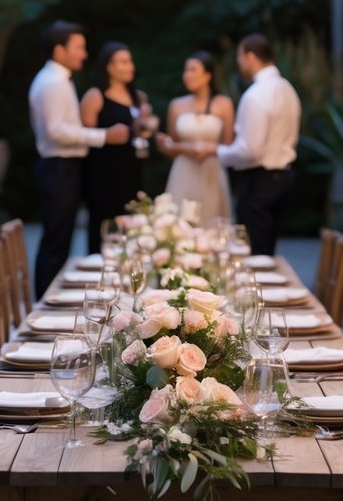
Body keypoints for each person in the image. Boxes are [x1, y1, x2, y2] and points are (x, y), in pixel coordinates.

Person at [28, 21, 130, 298]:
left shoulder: (58, 80)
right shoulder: (53, 83)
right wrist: (103, 136)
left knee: (59, 241)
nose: (84, 54)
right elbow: (56, 131)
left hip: (63, 167)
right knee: (55, 244)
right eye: (78, 47)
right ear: (59, 50)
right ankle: (45, 305)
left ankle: (48, 301)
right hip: (58, 167)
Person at [207, 33, 301, 255]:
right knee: (267, 249)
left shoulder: (255, 95)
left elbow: (250, 150)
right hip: (283, 177)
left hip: (260, 181)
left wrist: (216, 151)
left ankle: (256, 291)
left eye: (239, 57)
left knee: (255, 253)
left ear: (250, 57)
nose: (239, 64)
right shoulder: (288, 89)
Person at [80, 42, 157, 254]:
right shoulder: (95, 96)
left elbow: (142, 134)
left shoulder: (138, 97)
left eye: (130, 61)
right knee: (103, 227)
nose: (129, 66)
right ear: (108, 66)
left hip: (132, 170)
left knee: (133, 225)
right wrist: (108, 136)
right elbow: (85, 137)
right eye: (123, 61)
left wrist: (148, 127)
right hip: (103, 173)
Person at [155, 51, 234, 227]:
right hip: (183, 171)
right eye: (185, 70)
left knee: (212, 223)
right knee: (179, 224)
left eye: (193, 70)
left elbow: (229, 145)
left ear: (207, 75)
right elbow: (171, 146)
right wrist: (177, 147)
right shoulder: (176, 105)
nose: (187, 75)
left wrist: (208, 149)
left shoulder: (224, 104)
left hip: (212, 171)